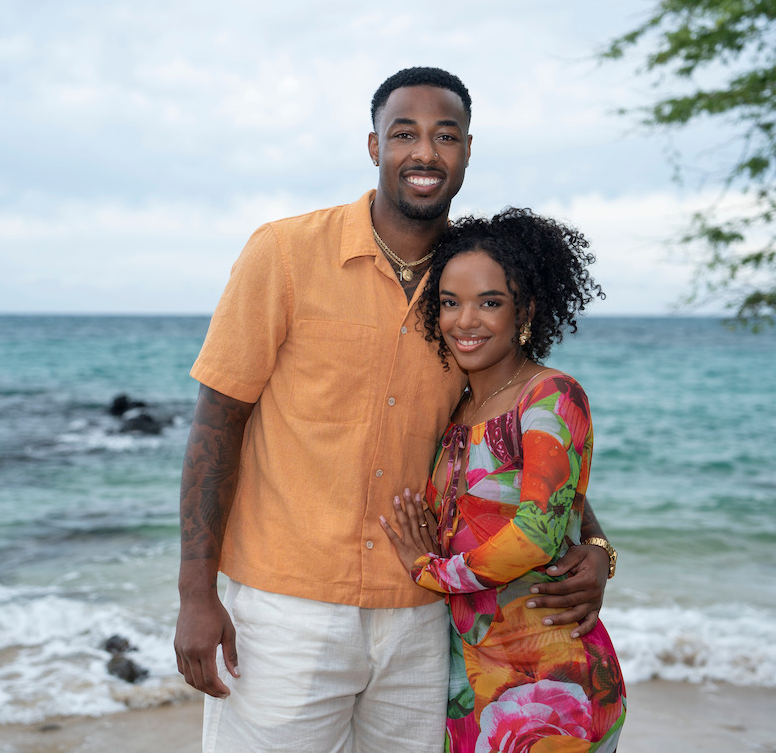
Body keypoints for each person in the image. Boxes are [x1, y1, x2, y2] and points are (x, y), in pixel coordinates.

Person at [174, 67, 619, 752]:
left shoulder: (472, 282)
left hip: (423, 617)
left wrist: (594, 546)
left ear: (468, 149)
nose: (425, 153)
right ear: (374, 146)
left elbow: (512, 431)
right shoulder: (286, 253)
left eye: (445, 136)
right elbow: (216, 423)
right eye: (404, 133)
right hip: (289, 609)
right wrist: (196, 595)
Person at [381, 208, 626, 752]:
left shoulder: (552, 396)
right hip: (470, 682)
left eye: (489, 302)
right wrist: (598, 544)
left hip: (550, 682)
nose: (465, 321)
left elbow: (538, 532)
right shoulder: (459, 408)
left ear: (526, 310)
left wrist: (428, 570)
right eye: (450, 303)